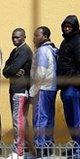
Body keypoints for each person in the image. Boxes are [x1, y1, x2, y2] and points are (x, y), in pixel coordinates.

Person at [57, 15, 80, 158]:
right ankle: (77, 145)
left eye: (69, 26)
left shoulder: (79, 41)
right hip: (66, 86)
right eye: (65, 26)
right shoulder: (66, 42)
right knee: (71, 120)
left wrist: (77, 82)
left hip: (74, 87)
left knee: (77, 120)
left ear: (75, 27)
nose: (66, 28)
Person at [3, 28, 33, 159]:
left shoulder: (24, 50)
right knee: (21, 121)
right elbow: (5, 70)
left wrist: (12, 69)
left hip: (20, 91)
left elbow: (12, 68)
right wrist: (11, 70)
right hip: (15, 90)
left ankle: (18, 152)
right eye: (13, 37)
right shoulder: (15, 51)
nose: (15, 39)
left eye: (18, 37)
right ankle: (25, 149)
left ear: (24, 37)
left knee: (18, 122)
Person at [30, 26, 58, 159]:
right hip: (51, 88)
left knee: (40, 119)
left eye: (36, 35)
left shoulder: (42, 51)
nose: (34, 38)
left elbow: (40, 73)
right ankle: (48, 147)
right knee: (48, 118)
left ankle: (41, 149)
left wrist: (32, 91)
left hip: (42, 89)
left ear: (45, 36)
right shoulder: (52, 49)